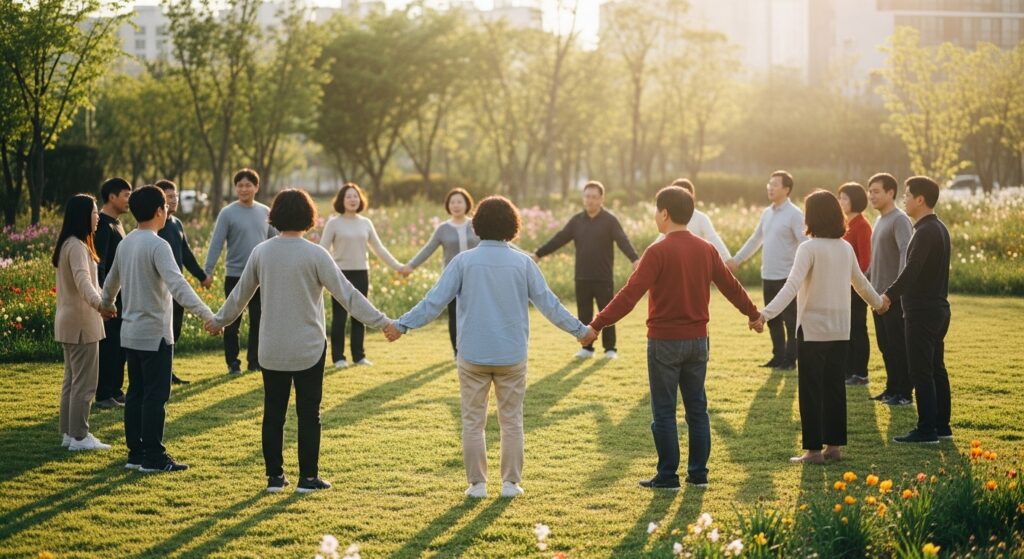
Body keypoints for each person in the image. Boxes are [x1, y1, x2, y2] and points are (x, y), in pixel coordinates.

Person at [395, 196, 590, 499]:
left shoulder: (463, 261)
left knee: (473, 421)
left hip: (472, 354)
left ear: (477, 225)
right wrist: (580, 331)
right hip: (511, 355)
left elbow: (433, 302)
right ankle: (510, 483)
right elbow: (550, 305)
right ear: (512, 227)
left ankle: (478, 485)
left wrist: (402, 325)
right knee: (511, 420)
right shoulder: (522, 262)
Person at [208, 188, 402, 493]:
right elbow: (348, 295)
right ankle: (308, 479)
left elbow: (239, 296)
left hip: (272, 347)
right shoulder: (315, 253)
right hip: (309, 347)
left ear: (275, 216)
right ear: (309, 217)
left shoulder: (262, 252)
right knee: (309, 414)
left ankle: (275, 478)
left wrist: (218, 321)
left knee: (273, 412)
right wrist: (384, 323)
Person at [581, 186, 763, 489]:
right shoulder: (706, 249)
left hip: (664, 342)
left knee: (664, 411)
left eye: (656, 211)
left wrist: (597, 324)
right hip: (698, 342)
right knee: (697, 408)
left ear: (664, 214)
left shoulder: (658, 251)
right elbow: (731, 286)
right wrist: (753, 314)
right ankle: (698, 475)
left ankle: (667, 476)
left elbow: (629, 296)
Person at [752, 191, 887, 464]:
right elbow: (861, 284)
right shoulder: (844, 247)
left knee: (811, 390)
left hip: (813, 331)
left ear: (812, 217)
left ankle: (814, 451)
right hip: (840, 330)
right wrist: (879, 303)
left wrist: (765, 314)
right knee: (835, 388)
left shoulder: (809, 248)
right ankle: (834, 448)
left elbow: (791, 286)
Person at [101, 185, 217, 473]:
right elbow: (178, 285)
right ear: (158, 211)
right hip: (155, 335)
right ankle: (153, 457)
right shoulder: (158, 245)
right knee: (155, 396)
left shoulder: (127, 242)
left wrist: (107, 304)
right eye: (166, 206)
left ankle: (135, 455)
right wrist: (207, 314)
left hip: (130, 333)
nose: (167, 211)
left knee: (136, 393)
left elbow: (111, 282)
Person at [532, 181, 639, 360]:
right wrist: (538, 254)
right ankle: (587, 348)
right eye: (587, 196)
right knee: (584, 313)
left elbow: (623, 240)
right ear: (584, 198)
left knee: (607, 312)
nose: (590, 200)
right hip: (582, 275)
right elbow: (559, 239)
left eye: (594, 197)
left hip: (603, 276)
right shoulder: (577, 221)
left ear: (601, 199)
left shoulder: (610, 221)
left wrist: (634, 259)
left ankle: (610, 349)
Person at [883, 176, 952, 444]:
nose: (904, 199)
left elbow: (911, 270)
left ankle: (926, 430)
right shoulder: (939, 228)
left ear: (920, 199)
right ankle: (941, 426)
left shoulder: (924, 232)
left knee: (921, 371)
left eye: (907, 195)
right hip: (938, 309)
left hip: (923, 312)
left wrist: (889, 295)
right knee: (936, 368)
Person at [53, 194, 117, 451]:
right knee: (84, 383)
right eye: (93, 212)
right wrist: (101, 305)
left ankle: (70, 434)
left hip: (69, 321)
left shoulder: (68, 244)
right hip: (81, 323)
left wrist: (99, 302)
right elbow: (85, 284)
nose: (97, 216)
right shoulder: (78, 247)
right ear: (82, 216)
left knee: (72, 380)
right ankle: (80, 436)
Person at [727, 170, 807, 370]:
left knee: (790, 321)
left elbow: (805, 243)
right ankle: (778, 357)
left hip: (787, 277)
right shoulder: (767, 213)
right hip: (768, 274)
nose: (770, 187)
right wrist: (736, 260)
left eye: (775, 184)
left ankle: (790, 360)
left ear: (787, 189)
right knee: (772, 319)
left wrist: (802, 271)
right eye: (769, 183)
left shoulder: (795, 214)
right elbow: (755, 240)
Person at [319, 182, 404, 369]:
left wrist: (398, 266)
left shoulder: (366, 223)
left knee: (360, 315)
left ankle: (359, 356)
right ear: (341, 200)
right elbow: (322, 250)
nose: (352, 199)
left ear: (360, 199)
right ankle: (338, 358)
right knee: (339, 317)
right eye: (348, 196)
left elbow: (379, 249)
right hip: (339, 274)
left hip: (361, 273)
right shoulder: (333, 223)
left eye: (355, 196)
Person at [204, 168, 277, 376]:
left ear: (256, 187)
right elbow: (216, 243)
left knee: (258, 320)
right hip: (235, 275)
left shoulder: (266, 213)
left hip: (261, 276)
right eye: (240, 185)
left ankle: (255, 361)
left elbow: (276, 240)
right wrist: (207, 271)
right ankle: (232, 363)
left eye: (248, 185)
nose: (244, 189)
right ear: (235, 188)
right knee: (232, 320)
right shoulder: (227, 213)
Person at [402, 188, 480, 357]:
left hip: (476, 277)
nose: (456, 205)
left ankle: (474, 349)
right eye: (452, 202)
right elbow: (428, 249)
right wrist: (411, 266)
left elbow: (497, 241)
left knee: (477, 314)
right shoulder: (443, 229)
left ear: (467, 204)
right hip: (453, 279)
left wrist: (526, 255)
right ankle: (458, 352)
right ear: (448, 206)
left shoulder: (476, 224)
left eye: (460, 201)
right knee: (455, 316)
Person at [157, 179, 213, 385]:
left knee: (174, 331)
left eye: (175, 196)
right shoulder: (154, 226)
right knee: (161, 334)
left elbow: (187, 255)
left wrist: (202, 276)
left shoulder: (176, 224)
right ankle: (160, 374)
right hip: (160, 289)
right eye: (169, 197)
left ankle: (167, 372)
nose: (174, 200)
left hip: (176, 289)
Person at [865, 173, 914, 407]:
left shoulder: (899, 220)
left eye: (876, 191)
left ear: (890, 193)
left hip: (892, 299)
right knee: (886, 346)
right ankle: (891, 388)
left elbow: (907, 256)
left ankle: (904, 393)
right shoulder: (880, 220)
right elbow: (877, 261)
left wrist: (894, 294)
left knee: (898, 347)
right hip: (877, 298)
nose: (871, 195)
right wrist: (863, 281)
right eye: (870, 191)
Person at [94, 177, 132, 409]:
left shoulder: (117, 223)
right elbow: (101, 264)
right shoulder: (102, 225)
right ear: (112, 197)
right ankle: (104, 393)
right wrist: (103, 298)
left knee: (119, 346)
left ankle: (116, 390)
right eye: (126, 195)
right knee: (108, 347)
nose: (130, 199)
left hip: (122, 298)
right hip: (109, 299)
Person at [838, 182, 872, 386]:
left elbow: (865, 260)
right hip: (842, 288)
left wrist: (853, 282)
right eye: (840, 197)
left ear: (855, 201)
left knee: (858, 329)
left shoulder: (862, 225)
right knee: (846, 329)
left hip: (855, 288)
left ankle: (860, 373)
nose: (840, 202)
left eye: (844, 198)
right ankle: (848, 371)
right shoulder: (844, 224)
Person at [654, 179, 731, 260]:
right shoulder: (671, 218)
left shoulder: (701, 218)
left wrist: (727, 258)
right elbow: (661, 238)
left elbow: (713, 238)